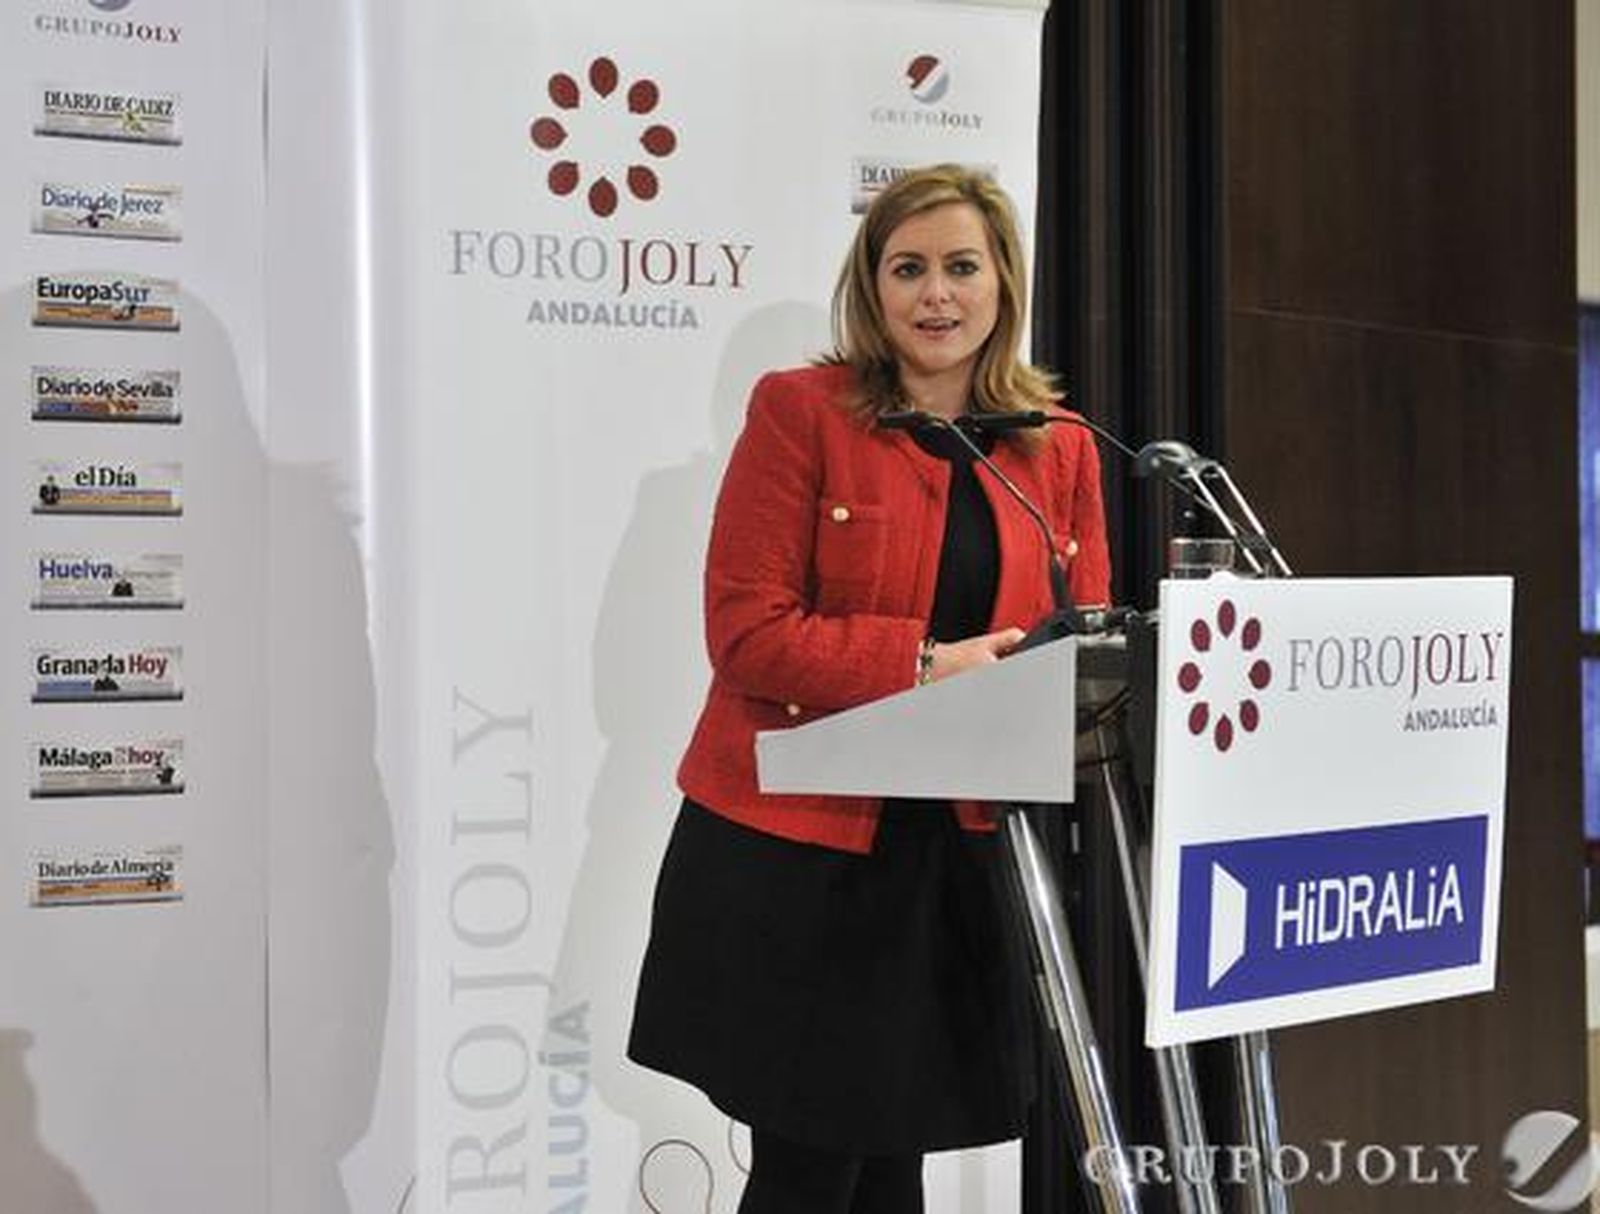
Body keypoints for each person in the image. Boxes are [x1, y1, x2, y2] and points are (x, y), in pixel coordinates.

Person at [628, 164, 1112, 1214]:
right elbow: (746, 633)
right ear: (872, 286)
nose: (935, 294)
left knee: (897, 1159)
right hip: (803, 856)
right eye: (908, 269)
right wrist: (929, 664)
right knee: (811, 1169)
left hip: (957, 855)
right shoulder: (803, 412)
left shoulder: (1060, 447)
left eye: (959, 267)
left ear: (1002, 285)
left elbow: (1088, 638)